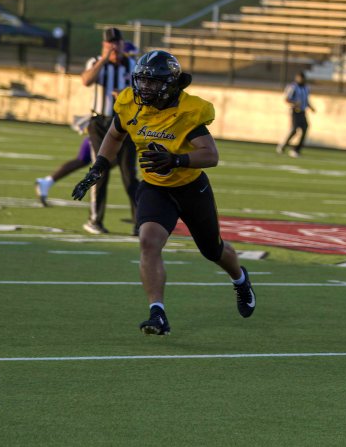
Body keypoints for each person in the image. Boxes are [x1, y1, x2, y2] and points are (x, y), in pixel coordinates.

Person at [70, 50, 255, 335]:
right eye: (142, 80)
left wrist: (176, 159)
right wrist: (99, 167)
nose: (145, 87)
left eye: (153, 82)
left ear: (170, 84)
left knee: (213, 250)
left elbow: (211, 155)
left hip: (191, 189)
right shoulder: (130, 104)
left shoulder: (187, 111)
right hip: (155, 188)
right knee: (148, 241)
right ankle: (157, 313)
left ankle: (240, 279)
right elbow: (115, 134)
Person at [81, 27, 138, 235]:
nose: (114, 46)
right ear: (104, 45)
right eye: (110, 43)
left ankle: (140, 223)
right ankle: (94, 220)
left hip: (124, 123)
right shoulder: (96, 62)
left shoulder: (131, 64)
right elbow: (86, 81)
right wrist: (104, 59)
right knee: (100, 171)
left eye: (117, 43)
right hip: (100, 124)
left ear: (122, 44)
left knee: (130, 175)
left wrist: (126, 94)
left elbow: (141, 92)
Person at [34, 116, 93, 206]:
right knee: (104, 164)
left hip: (103, 133)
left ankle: (47, 182)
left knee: (83, 160)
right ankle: (96, 201)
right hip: (103, 134)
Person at [277, 71, 314, 158]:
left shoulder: (306, 88)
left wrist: (311, 107)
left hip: (302, 112)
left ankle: (296, 149)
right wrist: (295, 103)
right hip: (294, 111)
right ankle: (283, 146)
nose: (301, 80)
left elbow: (306, 100)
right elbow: (286, 99)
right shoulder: (293, 87)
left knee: (305, 128)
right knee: (294, 130)